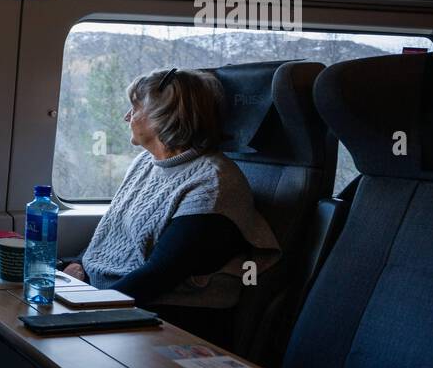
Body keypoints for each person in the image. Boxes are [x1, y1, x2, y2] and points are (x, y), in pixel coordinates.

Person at [62, 67, 279, 344]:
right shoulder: (144, 163)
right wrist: (79, 265)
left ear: (164, 116)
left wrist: (82, 311)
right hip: (119, 296)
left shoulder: (213, 182)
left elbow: (161, 275)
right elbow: (112, 230)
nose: (126, 117)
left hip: (171, 317)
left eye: (135, 107)